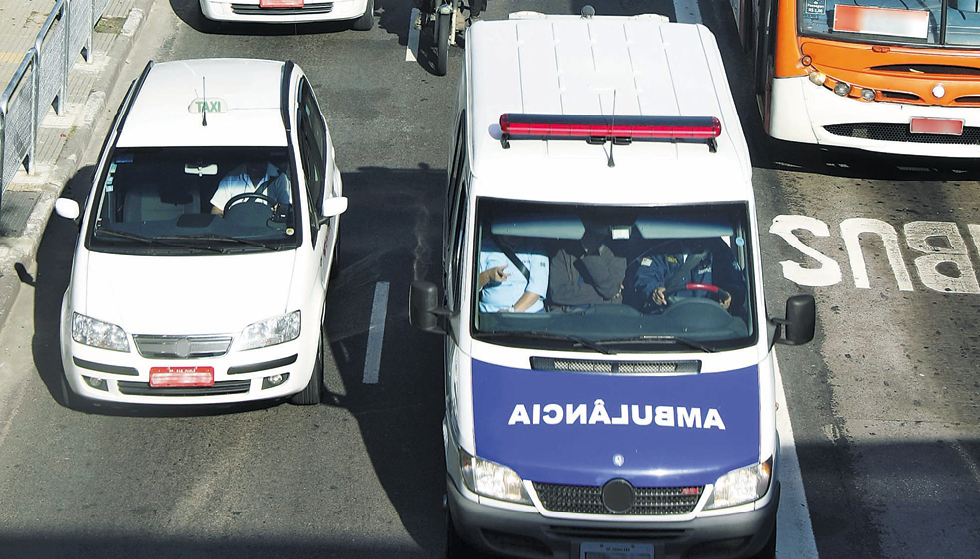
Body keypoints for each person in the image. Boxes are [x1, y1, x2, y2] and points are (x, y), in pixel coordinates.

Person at [629, 238, 745, 313]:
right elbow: (646, 275)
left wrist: (730, 296)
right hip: (666, 317)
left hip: (708, 319)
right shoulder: (662, 246)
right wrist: (654, 291)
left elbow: (735, 279)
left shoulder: (717, 248)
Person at [548, 227, 627, 312]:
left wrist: (591, 255)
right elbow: (557, 293)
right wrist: (604, 295)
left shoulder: (617, 254)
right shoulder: (564, 252)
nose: (592, 236)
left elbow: (611, 290)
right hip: (569, 314)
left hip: (604, 314)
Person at [478, 234, 548, 313]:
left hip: (530, 315)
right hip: (491, 314)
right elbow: (470, 286)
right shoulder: (485, 246)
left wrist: (512, 311)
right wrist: (488, 275)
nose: (516, 235)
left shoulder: (535, 245)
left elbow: (537, 287)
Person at [210, 161, 290, 216]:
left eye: (259, 158)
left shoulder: (280, 179)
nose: (255, 163)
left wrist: (279, 210)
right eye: (253, 157)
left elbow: (288, 208)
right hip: (235, 234)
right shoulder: (231, 179)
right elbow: (217, 209)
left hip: (269, 234)